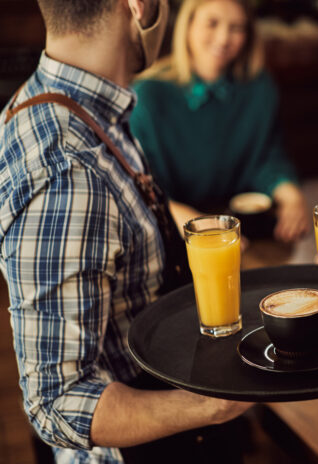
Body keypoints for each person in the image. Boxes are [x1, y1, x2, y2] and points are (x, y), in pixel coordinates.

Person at [0, 0, 252, 462]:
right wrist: (210, 406)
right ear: (137, 5)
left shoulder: (71, 107)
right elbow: (57, 403)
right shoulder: (68, 172)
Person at [130, 0, 308, 242]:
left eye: (236, 28)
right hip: (176, 237)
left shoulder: (259, 88)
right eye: (212, 23)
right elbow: (146, 192)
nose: (224, 38)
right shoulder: (148, 97)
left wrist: (291, 198)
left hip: (246, 229)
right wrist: (197, 227)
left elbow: (267, 158)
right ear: (188, 26)